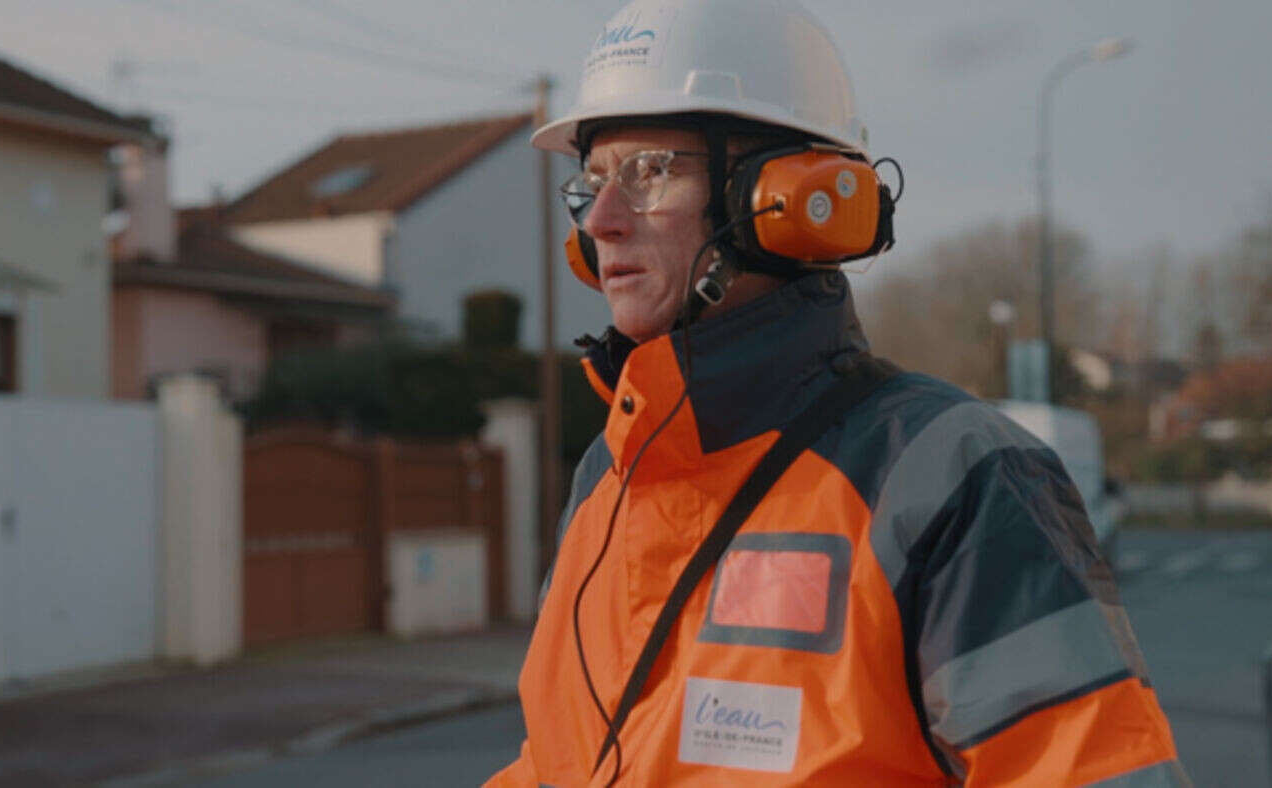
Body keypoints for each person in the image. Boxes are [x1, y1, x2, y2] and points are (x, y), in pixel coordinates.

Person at [488, 0, 1189, 785]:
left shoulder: (952, 478)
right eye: (590, 183)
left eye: (651, 169)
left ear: (783, 195)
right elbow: (555, 764)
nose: (605, 220)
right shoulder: (604, 482)